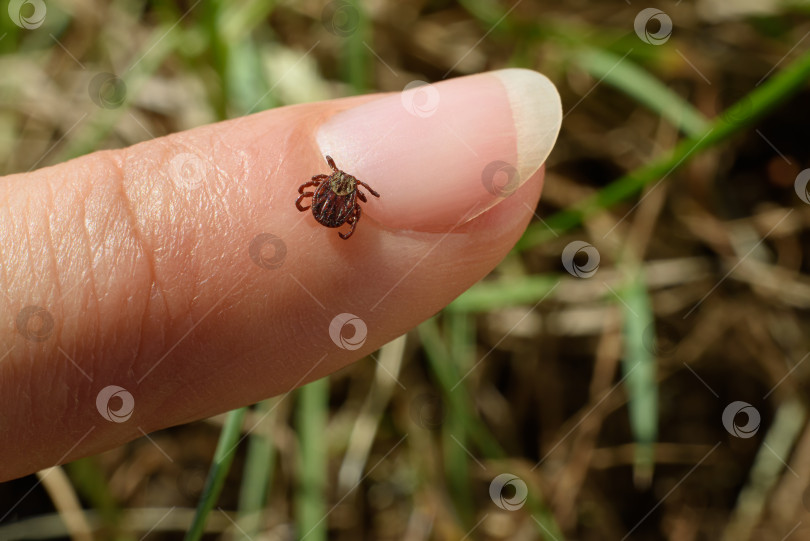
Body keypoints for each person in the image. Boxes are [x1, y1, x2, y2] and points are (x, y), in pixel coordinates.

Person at [0, 69, 562, 482]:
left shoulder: (334, 189)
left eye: (341, 190)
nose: (338, 192)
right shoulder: (347, 195)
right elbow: (337, 210)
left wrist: (336, 214)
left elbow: (317, 200)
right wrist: (345, 219)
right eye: (338, 187)